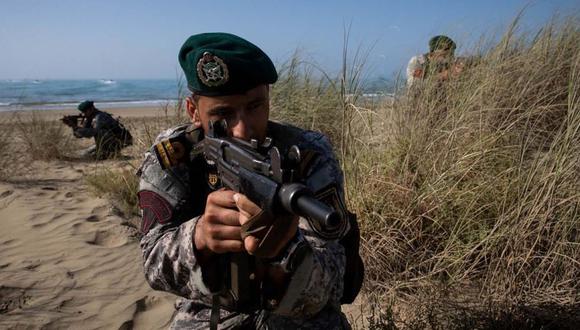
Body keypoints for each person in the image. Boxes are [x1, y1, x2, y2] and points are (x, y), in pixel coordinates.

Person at [136, 33, 364, 329]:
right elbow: (152, 265)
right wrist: (199, 238)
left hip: (298, 315)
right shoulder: (174, 157)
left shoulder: (308, 153)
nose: (242, 129)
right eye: (223, 113)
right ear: (194, 111)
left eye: (255, 106)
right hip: (210, 312)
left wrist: (287, 249)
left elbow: (333, 283)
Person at [67, 100, 132, 159]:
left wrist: (77, 128)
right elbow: (79, 136)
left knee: (100, 132)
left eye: (85, 111)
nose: (83, 114)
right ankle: (105, 153)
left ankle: (108, 153)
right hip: (109, 142)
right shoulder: (90, 117)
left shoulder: (100, 117)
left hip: (121, 141)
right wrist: (73, 127)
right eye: (82, 112)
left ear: (92, 109)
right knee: (84, 154)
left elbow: (92, 133)